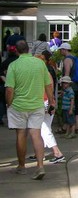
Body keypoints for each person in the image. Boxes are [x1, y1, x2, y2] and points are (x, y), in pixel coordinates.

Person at [5, 40, 54, 180]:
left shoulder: (13, 65)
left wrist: (9, 104)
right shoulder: (39, 63)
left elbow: (9, 89)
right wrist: (51, 101)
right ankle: (40, 165)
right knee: (36, 135)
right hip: (37, 104)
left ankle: (22, 166)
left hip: (18, 105)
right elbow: (48, 85)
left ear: (16, 51)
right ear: (28, 49)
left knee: (21, 135)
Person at [30, 54, 65, 163]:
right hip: (47, 103)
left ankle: (57, 152)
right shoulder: (46, 73)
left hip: (44, 103)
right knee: (44, 129)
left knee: (44, 129)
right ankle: (40, 153)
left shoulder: (42, 74)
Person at [58, 42, 78, 133]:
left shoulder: (67, 60)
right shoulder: (74, 58)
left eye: (61, 49)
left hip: (71, 86)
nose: (60, 51)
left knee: (68, 107)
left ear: (64, 50)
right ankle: (77, 127)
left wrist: (64, 87)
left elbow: (67, 75)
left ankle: (65, 128)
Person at [0, 46, 19, 126]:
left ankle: (3, 118)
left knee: (4, 102)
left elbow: (0, 73)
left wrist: (6, 81)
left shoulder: (5, 62)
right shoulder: (18, 61)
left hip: (7, 84)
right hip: (19, 84)